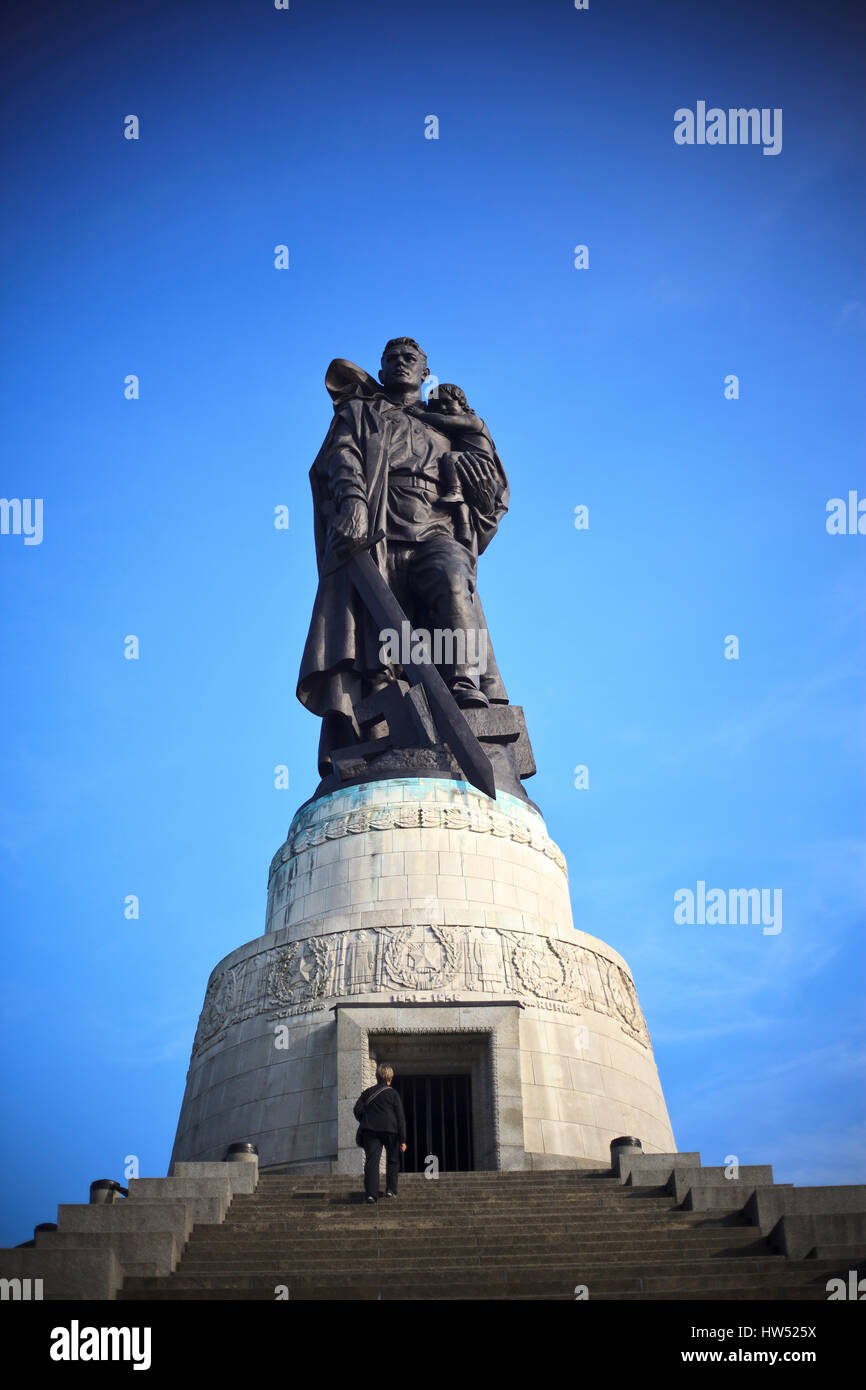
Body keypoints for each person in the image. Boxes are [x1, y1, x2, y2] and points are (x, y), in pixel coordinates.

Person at [297, 338, 511, 778]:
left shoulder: (450, 424)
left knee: (454, 579)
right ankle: (379, 728)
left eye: (409, 359)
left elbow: (490, 492)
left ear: (424, 370)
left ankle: (464, 684)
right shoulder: (360, 413)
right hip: (377, 529)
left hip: (436, 526)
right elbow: (342, 459)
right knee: (375, 635)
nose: (400, 364)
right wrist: (354, 502)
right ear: (381, 367)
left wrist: (484, 491)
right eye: (392, 359)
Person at [353, 1063, 407, 1203]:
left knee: (372, 1162)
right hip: (391, 1130)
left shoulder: (368, 1092)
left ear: (377, 1077)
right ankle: (391, 1191)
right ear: (390, 1079)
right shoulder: (393, 1094)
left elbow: (357, 1110)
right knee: (392, 1160)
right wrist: (403, 1140)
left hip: (370, 1131)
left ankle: (371, 1194)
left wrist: (366, 1119)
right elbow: (400, 1118)